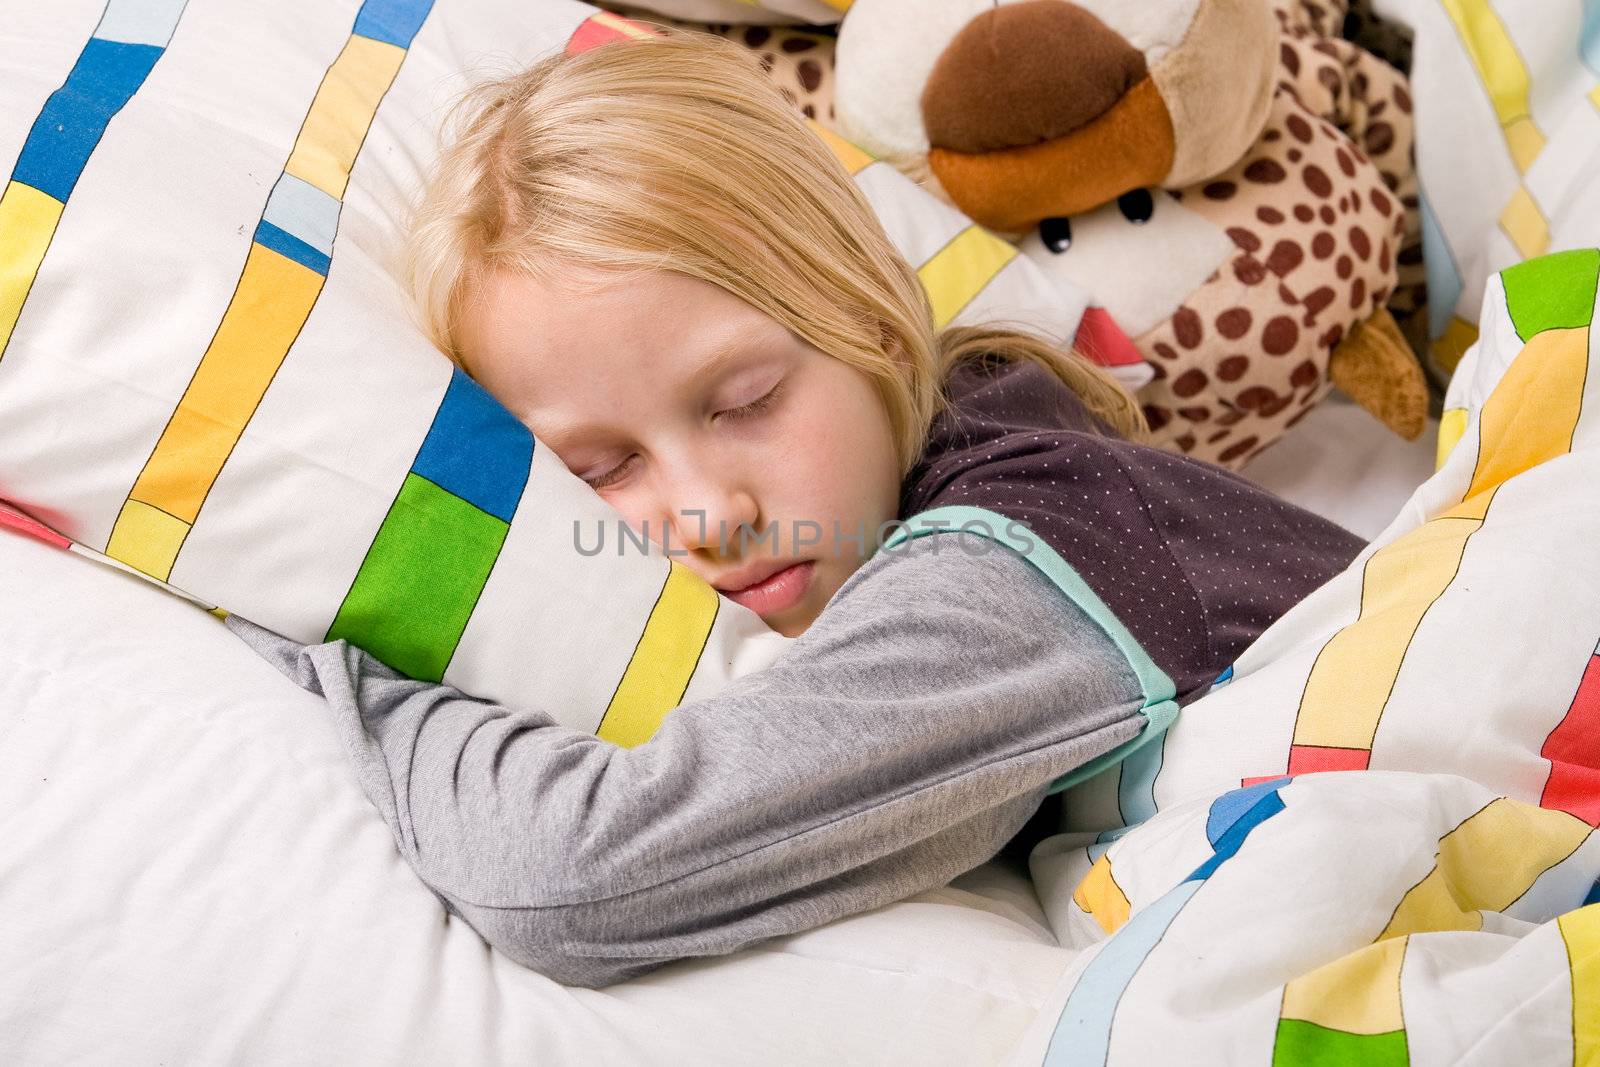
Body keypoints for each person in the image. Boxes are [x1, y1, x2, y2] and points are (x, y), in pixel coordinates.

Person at [227, 30, 1364, 988]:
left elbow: (578, 872)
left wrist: (346, 664)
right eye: (601, 469)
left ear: (868, 316)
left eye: (746, 400)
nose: (706, 510)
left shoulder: (1022, 562)